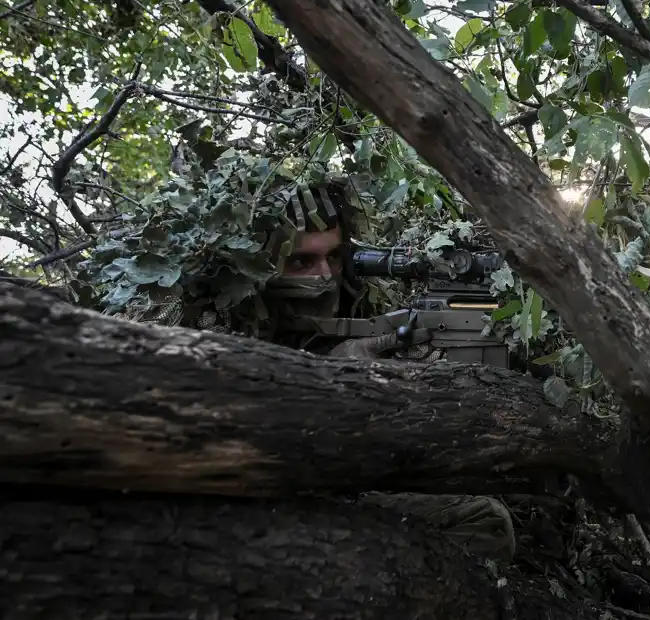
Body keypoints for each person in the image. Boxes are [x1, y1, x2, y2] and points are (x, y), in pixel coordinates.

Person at [120, 166, 516, 562]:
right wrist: (329, 376)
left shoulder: (364, 304)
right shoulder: (198, 318)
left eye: (333, 257)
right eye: (300, 262)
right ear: (255, 266)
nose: (324, 277)